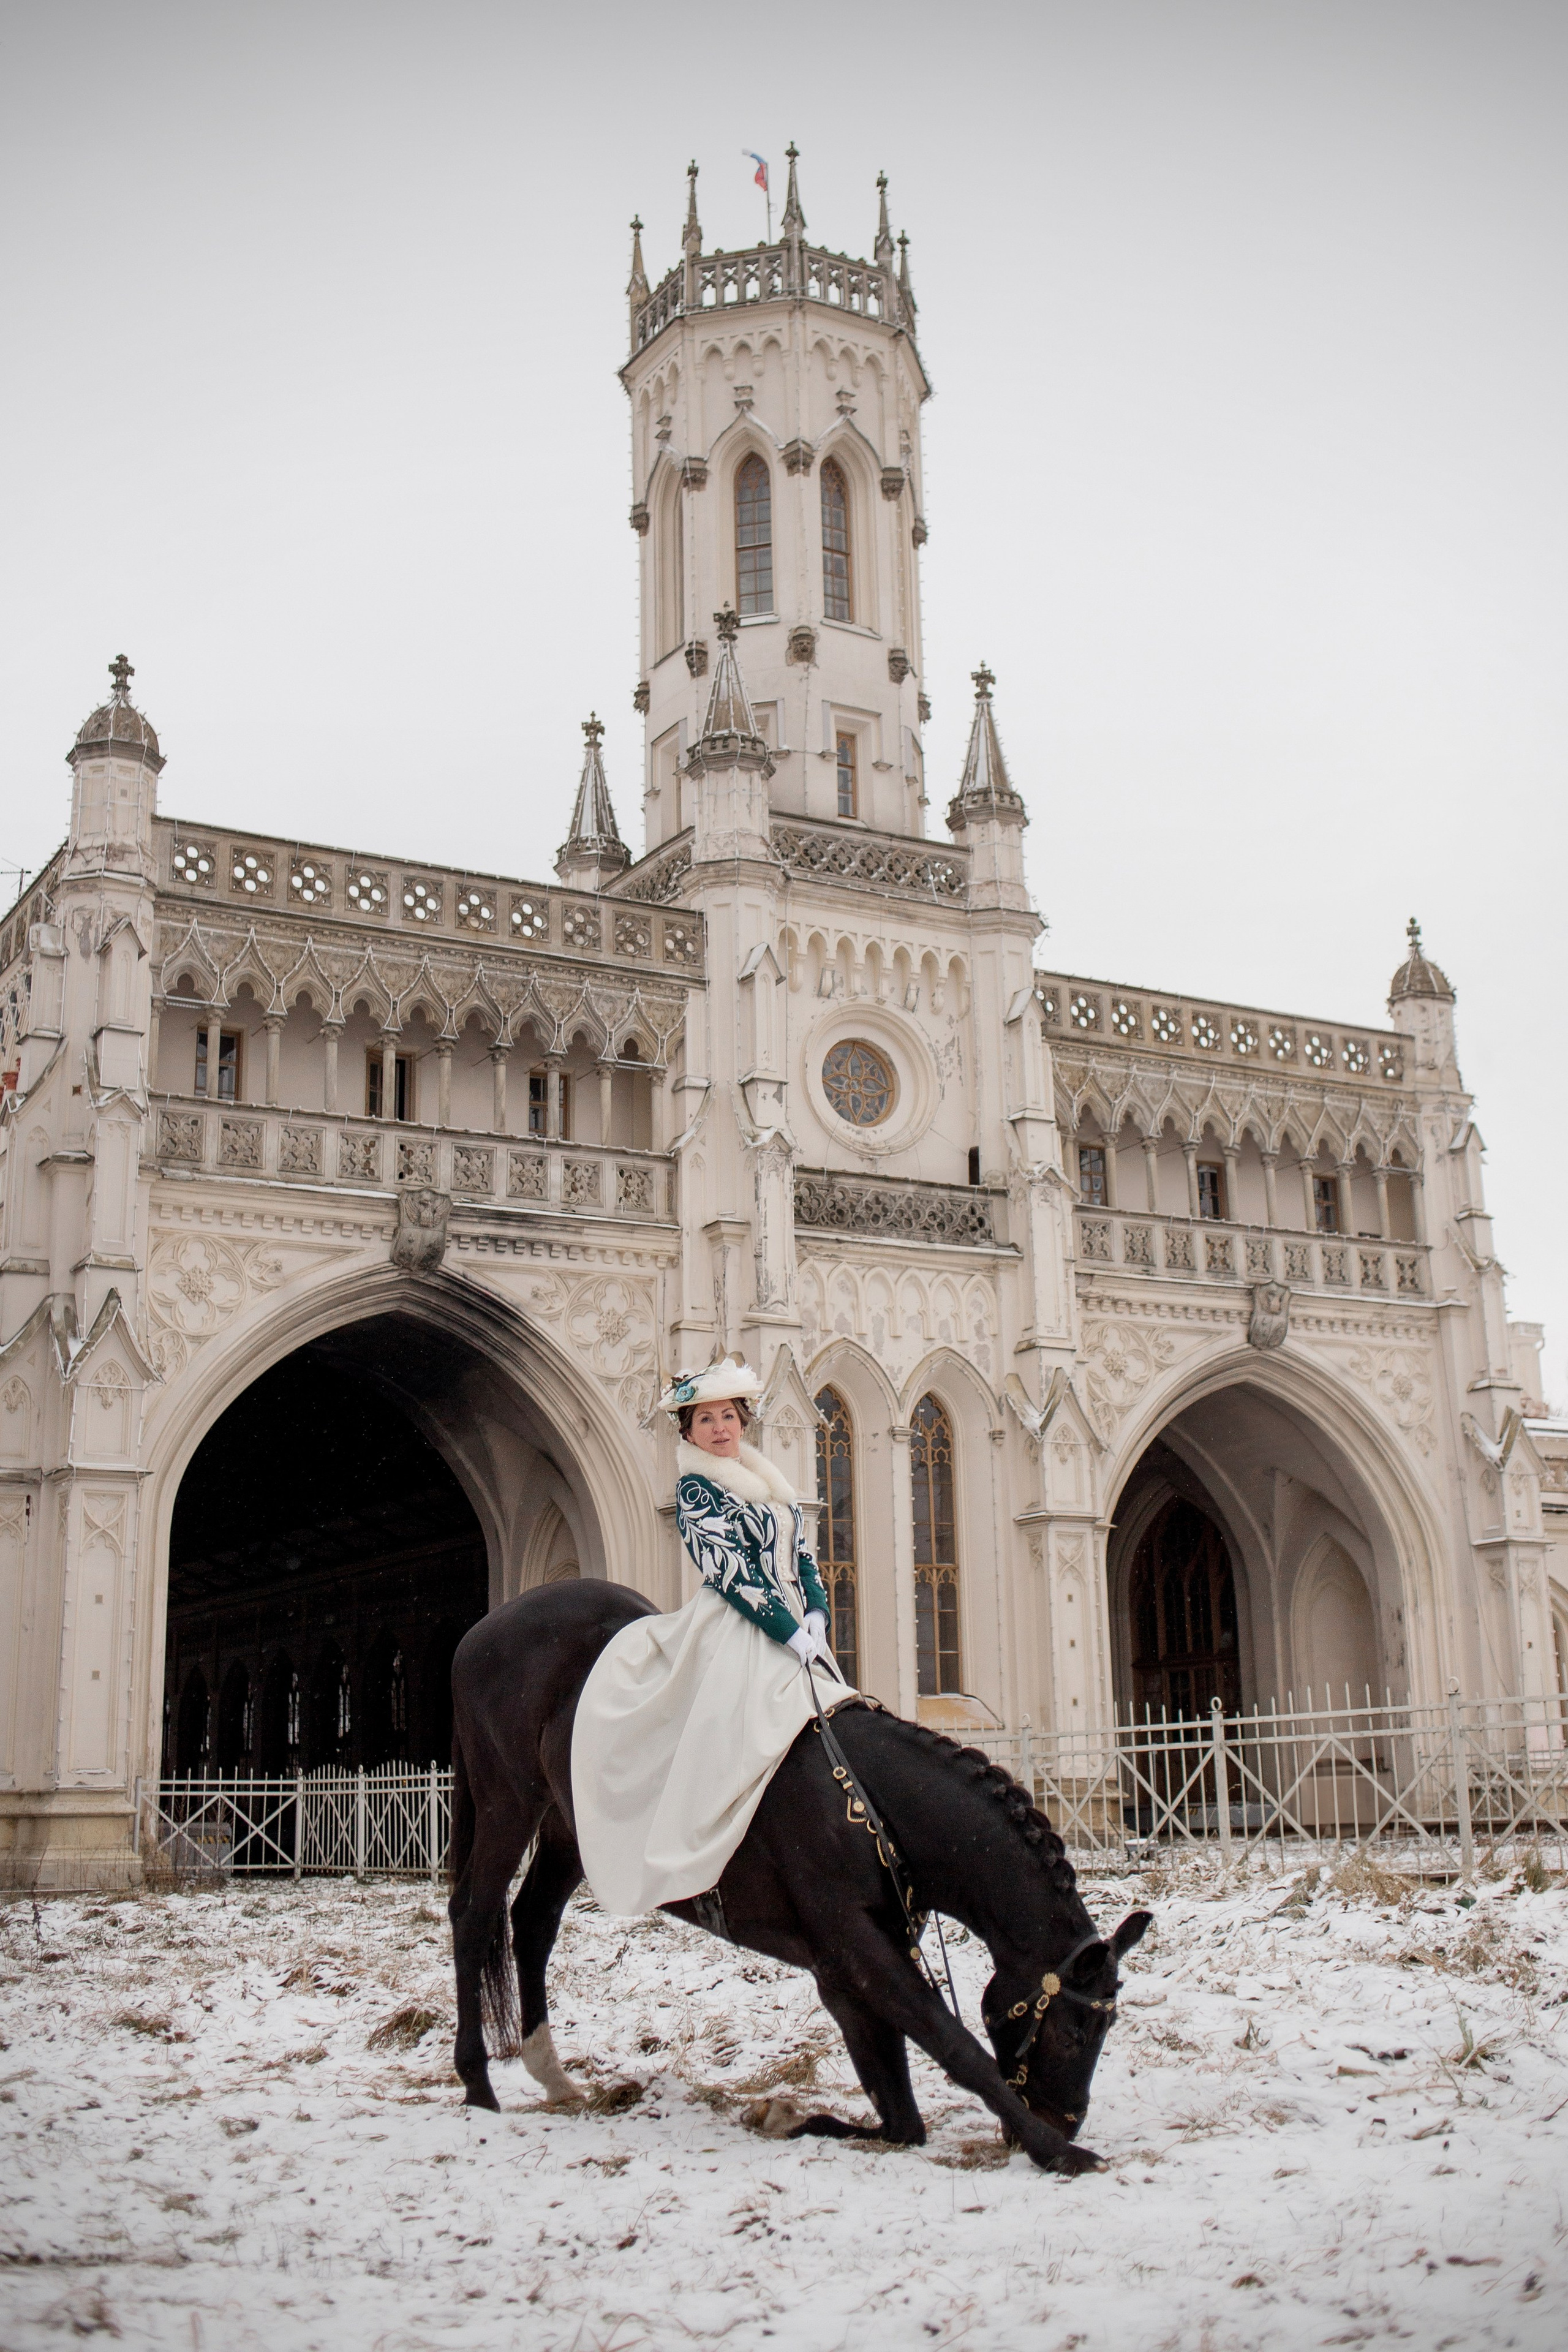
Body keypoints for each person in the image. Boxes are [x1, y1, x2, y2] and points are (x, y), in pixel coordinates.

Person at [570, 1354, 856, 1917]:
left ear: (743, 1421)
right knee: (734, 1738)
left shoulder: (769, 1483)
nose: (720, 1428)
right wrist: (786, 1633)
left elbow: (802, 1555)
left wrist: (817, 1614)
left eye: (727, 1416)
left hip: (797, 1624)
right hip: (739, 1624)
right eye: (705, 1420)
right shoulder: (700, 1491)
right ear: (689, 1431)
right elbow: (732, 1575)